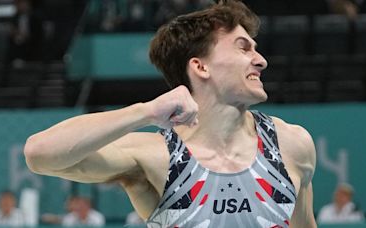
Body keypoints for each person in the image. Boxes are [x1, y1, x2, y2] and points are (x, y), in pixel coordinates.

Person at [24, 0, 317, 227]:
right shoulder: (156, 156)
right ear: (200, 67)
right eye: (244, 48)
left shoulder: (293, 144)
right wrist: (145, 112)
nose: (261, 60)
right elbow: (39, 153)